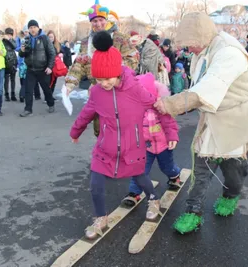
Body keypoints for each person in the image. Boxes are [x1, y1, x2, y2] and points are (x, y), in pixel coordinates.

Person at [153, 12, 248, 234]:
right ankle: (193, 212)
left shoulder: (229, 53)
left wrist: (170, 104)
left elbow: (208, 88)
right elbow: (200, 86)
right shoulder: (204, 49)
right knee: (202, 170)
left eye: (192, 44)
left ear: (202, 36)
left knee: (234, 173)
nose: (190, 49)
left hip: (236, 122)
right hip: (211, 120)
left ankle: (230, 196)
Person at [70, 31, 160, 239]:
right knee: (95, 185)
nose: (104, 83)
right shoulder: (97, 92)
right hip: (105, 147)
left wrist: (167, 124)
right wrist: (76, 131)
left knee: (141, 178)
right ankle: (101, 217)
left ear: (117, 73)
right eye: (99, 79)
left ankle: (154, 198)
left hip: (132, 146)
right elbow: (87, 113)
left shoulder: (134, 88)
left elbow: (155, 104)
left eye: (108, 78)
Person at [65, 0, 138, 137]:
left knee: (120, 128)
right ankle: (103, 152)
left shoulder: (120, 38)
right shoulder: (87, 42)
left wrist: (113, 73)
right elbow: (79, 64)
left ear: (106, 19)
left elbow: (132, 59)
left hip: (118, 88)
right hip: (97, 89)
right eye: (94, 21)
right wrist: (70, 84)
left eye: (100, 20)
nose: (98, 24)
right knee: (100, 129)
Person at [121, 73, 180, 207]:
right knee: (139, 170)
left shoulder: (161, 108)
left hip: (163, 146)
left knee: (167, 167)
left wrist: (172, 137)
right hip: (144, 147)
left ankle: (174, 176)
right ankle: (133, 193)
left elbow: (169, 124)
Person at [18, 19, 56, 117]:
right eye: (30, 28)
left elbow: (52, 53)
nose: (33, 29)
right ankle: (28, 109)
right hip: (30, 69)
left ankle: (51, 103)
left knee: (46, 89)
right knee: (28, 90)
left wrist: (50, 67)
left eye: (34, 27)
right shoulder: (27, 39)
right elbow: (22, 55)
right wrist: (21, 51)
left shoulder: (44, 38)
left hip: (43, 69)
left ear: (38, 28)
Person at [2, 28, 18, 102]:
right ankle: (6, 94)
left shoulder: (13, 41)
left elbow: (15, 46)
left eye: (10, 35)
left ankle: (13, 94)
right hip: (5, 61)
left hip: (13, 61)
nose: (9, 36)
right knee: (6, 79)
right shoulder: (2, 41)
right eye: (8, 34)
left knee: (13, 79)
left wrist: (9, 40)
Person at [47, 30, 61, 94]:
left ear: (54, 37)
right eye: (49, 37)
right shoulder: (45, 44)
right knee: (48, 82)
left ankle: (51, 95)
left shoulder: (57, 44)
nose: (50, 39)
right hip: (48, 65)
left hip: (55, 66)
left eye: (52, 37)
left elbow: (62, 52)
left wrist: (62, 54)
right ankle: (48, 96)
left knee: (54, 81)